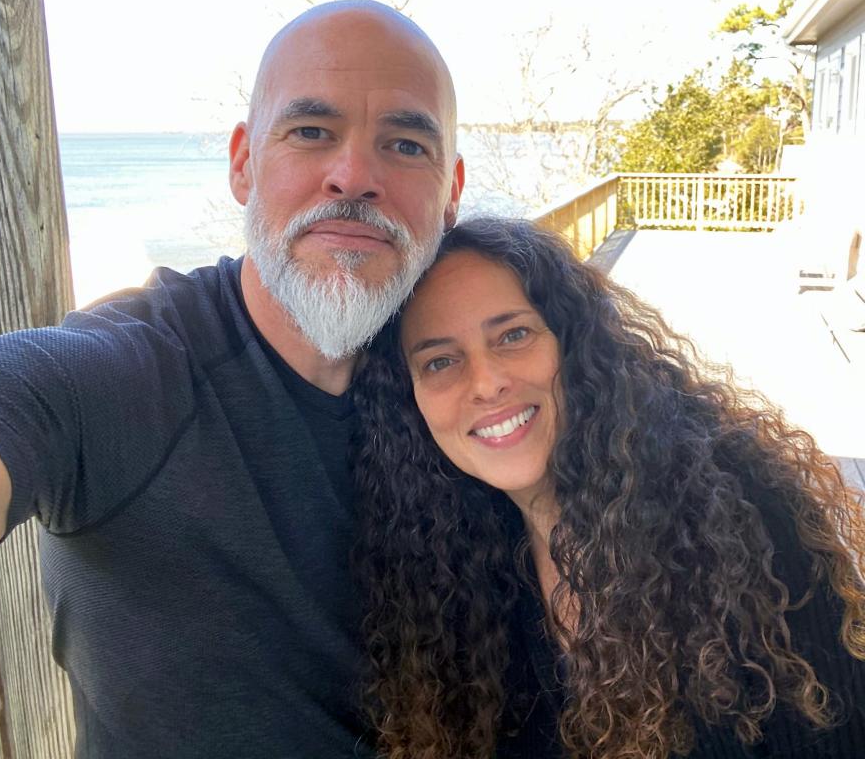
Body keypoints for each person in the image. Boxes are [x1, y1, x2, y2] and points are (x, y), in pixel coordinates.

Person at [0, 1, 463, 758]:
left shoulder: (466, 384)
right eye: (311, 132)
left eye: (404, 143)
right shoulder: (122, 377)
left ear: (451, 189)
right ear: (242, 163)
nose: (354, 176)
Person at [352, 217, 865, 759]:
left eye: (514, 334)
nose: (485, 383)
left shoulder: (738, 526)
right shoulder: (454, 579)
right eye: (439, 361)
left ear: (573, 344)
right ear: (412, 401)